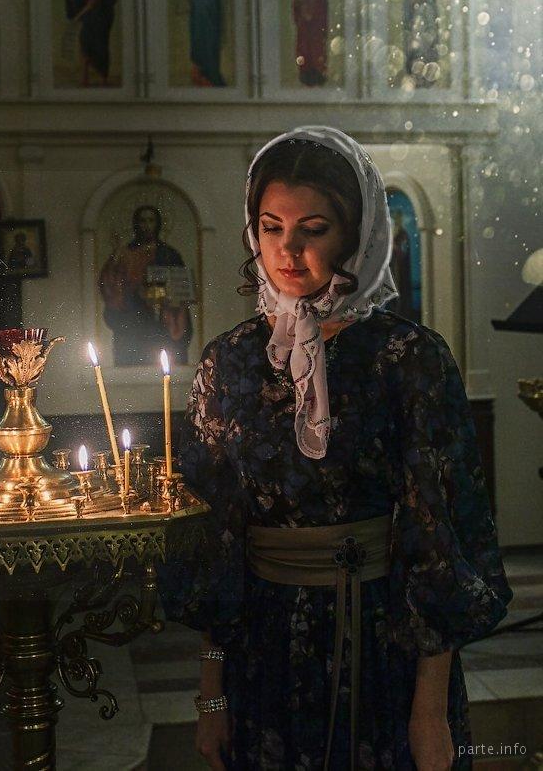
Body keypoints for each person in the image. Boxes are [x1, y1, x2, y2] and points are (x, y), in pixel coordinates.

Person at [159, 127, 512, 770]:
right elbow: (215, 543)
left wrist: (429, 711)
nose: (287, 249)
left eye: (313, 229)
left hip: (380, 643)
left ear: (355, 234)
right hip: (262, 650)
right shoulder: (229, 362)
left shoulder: (407, 358)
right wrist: (212, 697)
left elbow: (439, 540)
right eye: (271, 227)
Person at [98, 204, 191, 366]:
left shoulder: (169, 254)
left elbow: (180, 288)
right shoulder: (125, 254)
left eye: (151, 220)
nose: (147, 225)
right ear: (136, 224)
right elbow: (111, 284)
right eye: (142, 221)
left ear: (158, 224)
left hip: (163, 318)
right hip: (134, 318)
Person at [64, 0, 116, 86]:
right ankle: (85, 79)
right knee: (85, 45)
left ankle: (103, 79)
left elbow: (93, 1)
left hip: (100, 19)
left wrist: (78, 15)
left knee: (99, 46)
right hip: (90, 18)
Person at [188, 0, 225, 87]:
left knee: (208, 51)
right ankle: (202, 77)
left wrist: (195, 3)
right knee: (199, 51)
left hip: (208, 26)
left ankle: (210, 78)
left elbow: (211, 2)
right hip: (199, 25)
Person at [292, 0, 328, 86]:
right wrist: (301, 8)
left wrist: (312, 11)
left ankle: (318, 72)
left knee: (317, 49)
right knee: (303, 49)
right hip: (304, 26)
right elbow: (297, 3)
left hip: (315, 25)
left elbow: (321, 2)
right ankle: (305, 73)